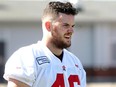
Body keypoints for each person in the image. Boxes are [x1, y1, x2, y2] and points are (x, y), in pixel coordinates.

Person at [3, 1, 86, 87]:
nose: (71, 31)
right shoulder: (27, 56)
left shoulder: (75, 62)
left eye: (72, 26)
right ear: (48, 26)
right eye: (65, 25)